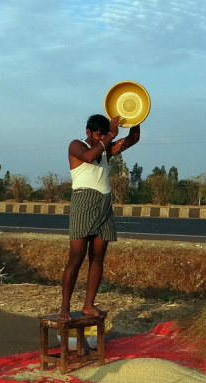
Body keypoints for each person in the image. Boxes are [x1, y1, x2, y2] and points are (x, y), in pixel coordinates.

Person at [59, 114, 140, 321]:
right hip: (83, 202)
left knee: (97, 258)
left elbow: (132, 139)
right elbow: (88, 157)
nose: (101, 138)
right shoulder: (77, 146)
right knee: (76, 258)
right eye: (98, 134)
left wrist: (136, 118)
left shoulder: (104, 149)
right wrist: (111, 134)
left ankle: (88, 304)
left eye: (104, 134)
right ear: (88, 132)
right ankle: (65, 307)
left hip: (103, 203)